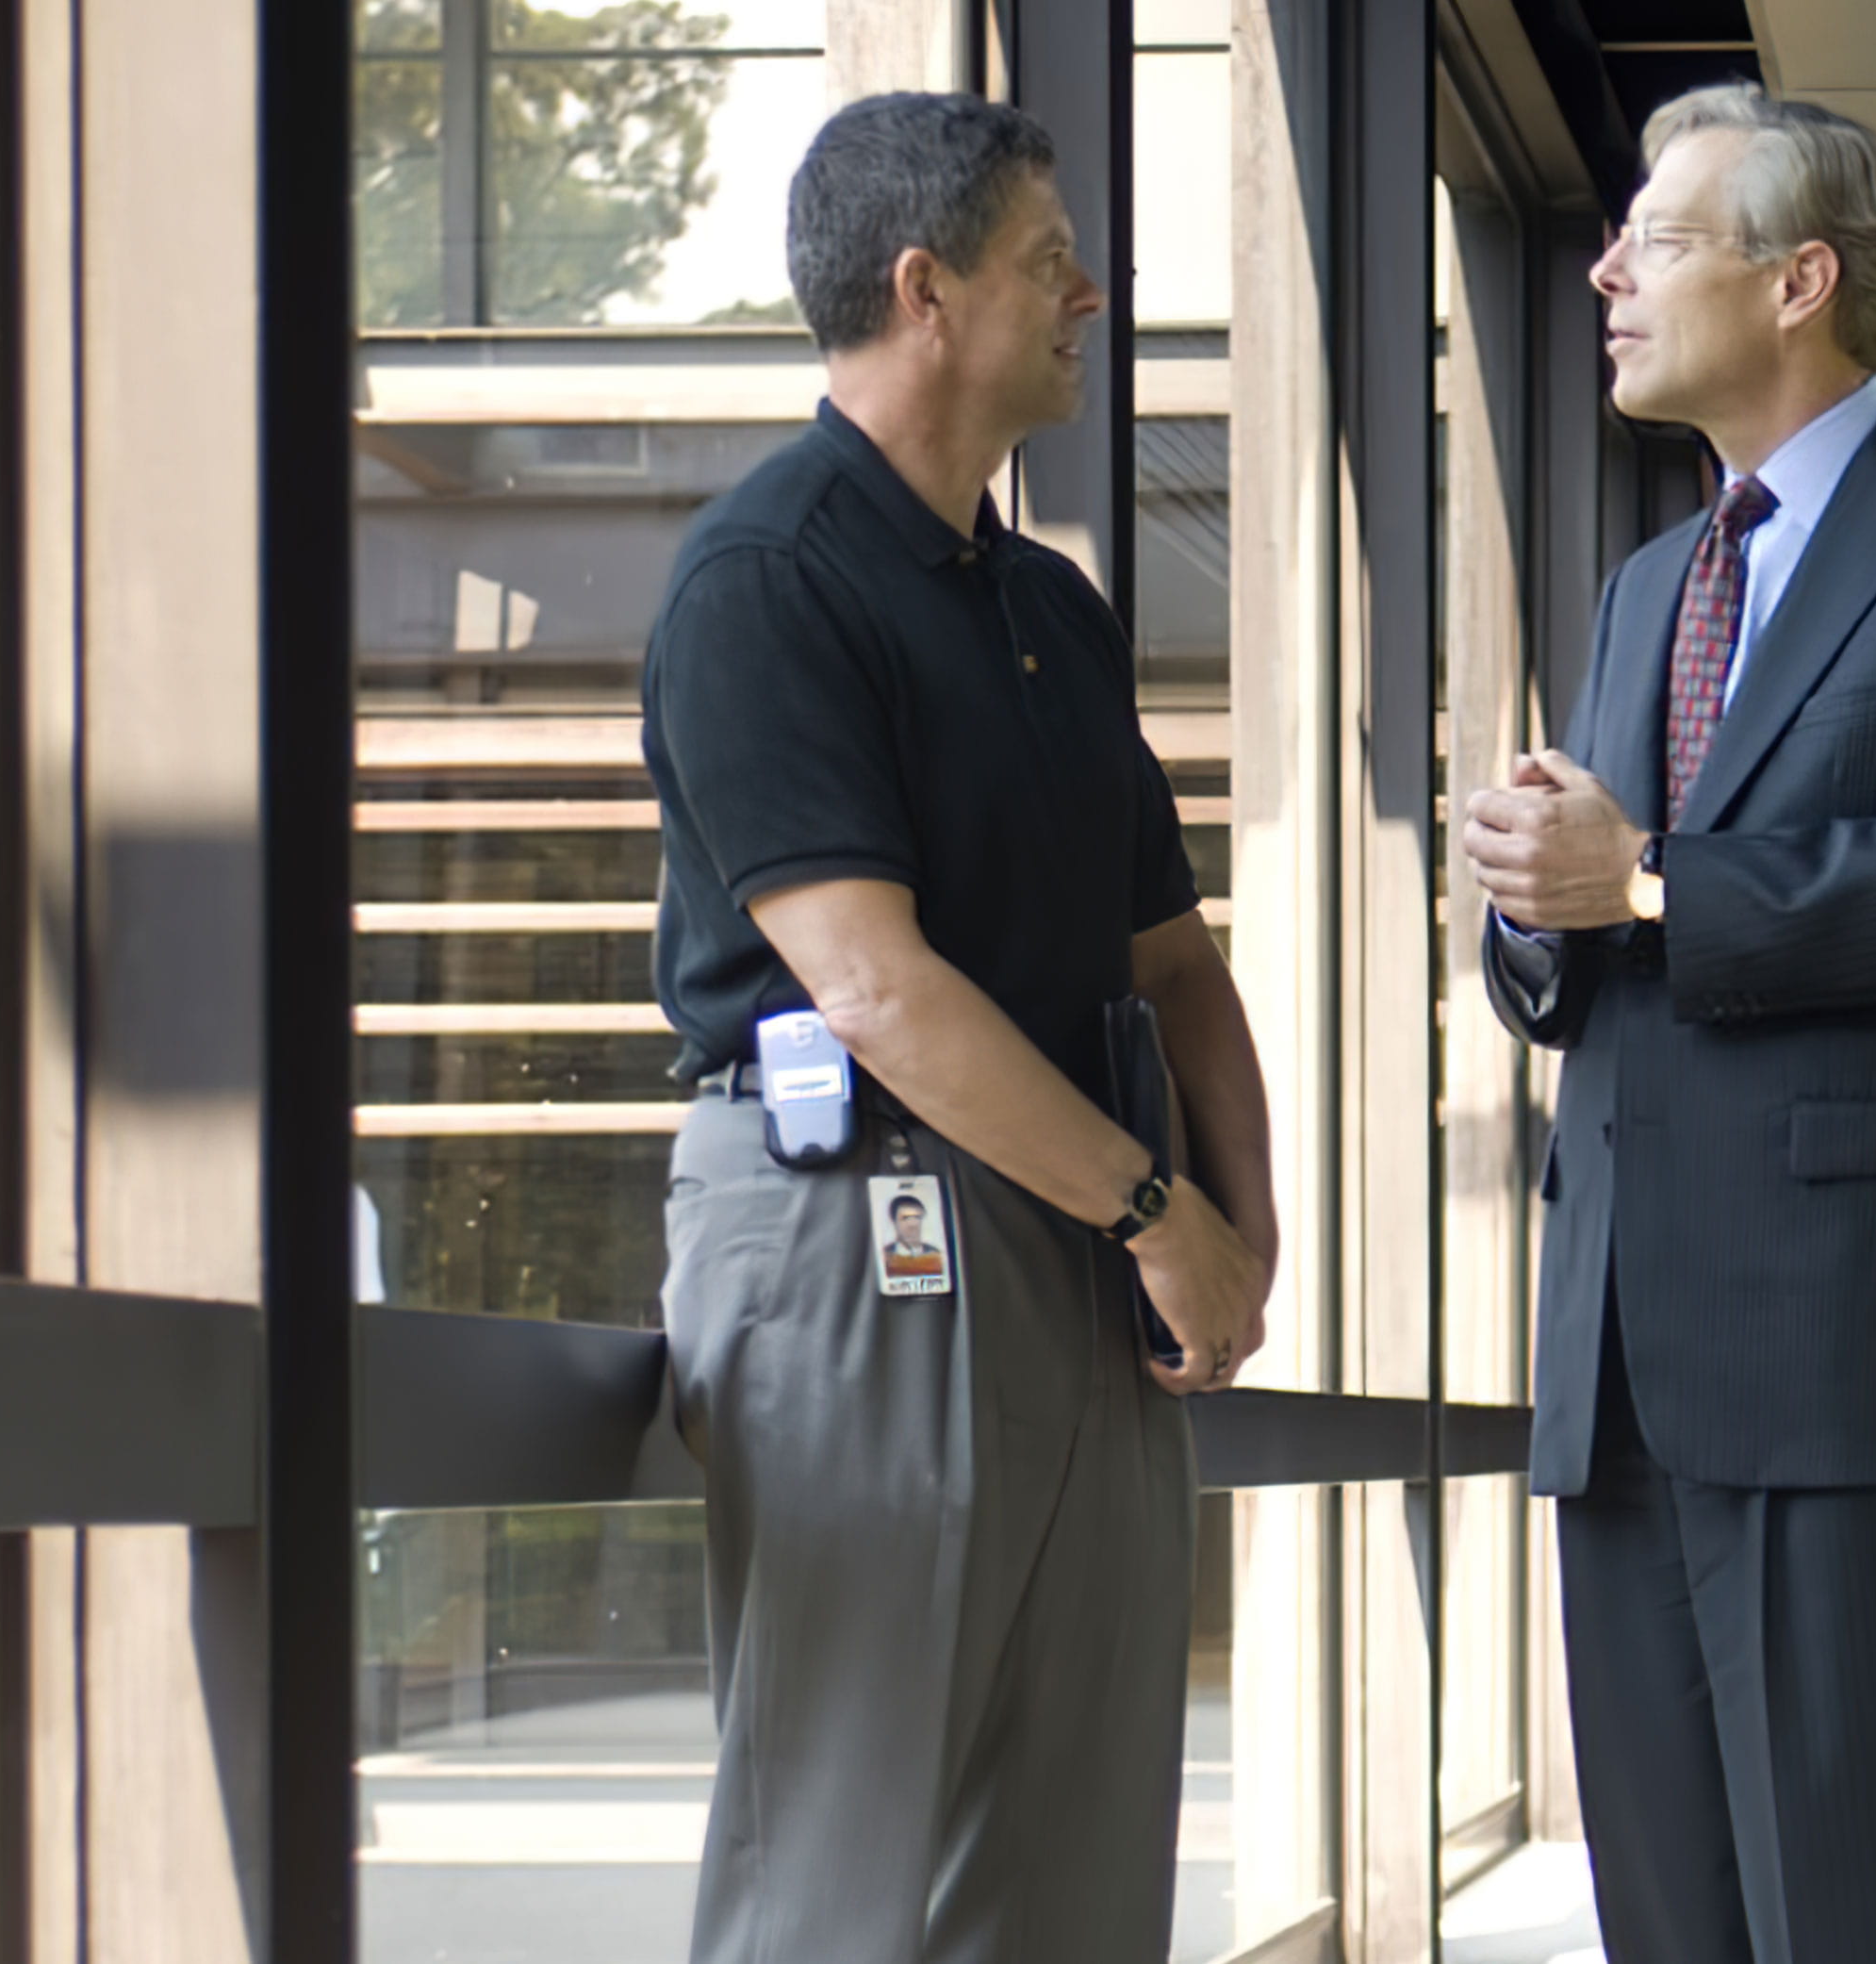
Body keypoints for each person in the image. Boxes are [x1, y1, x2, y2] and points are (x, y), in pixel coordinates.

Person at [1457, 80, 1876, 1964]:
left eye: (1652, 239)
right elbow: (1589, 939)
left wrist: (1652, 880)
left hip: (1859, 1364)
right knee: (1669, 1926)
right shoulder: (1649, 586)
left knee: (1866, 1917)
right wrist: (1533, 895)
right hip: (1622, 1366)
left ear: (1796, 281)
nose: (1601, 271)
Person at [639, 92, 1277, 1963]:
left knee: (1077, 1860)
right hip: (854, 1222)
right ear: (923, 291)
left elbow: (1174, 960)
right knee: (841, 1859)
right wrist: (1165, 1213)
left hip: (1083, 1231)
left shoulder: (1052, 612)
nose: (1088, 293)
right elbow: (871, 985)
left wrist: (1239, 1225)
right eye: (1043, 262)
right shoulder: (765, 579)